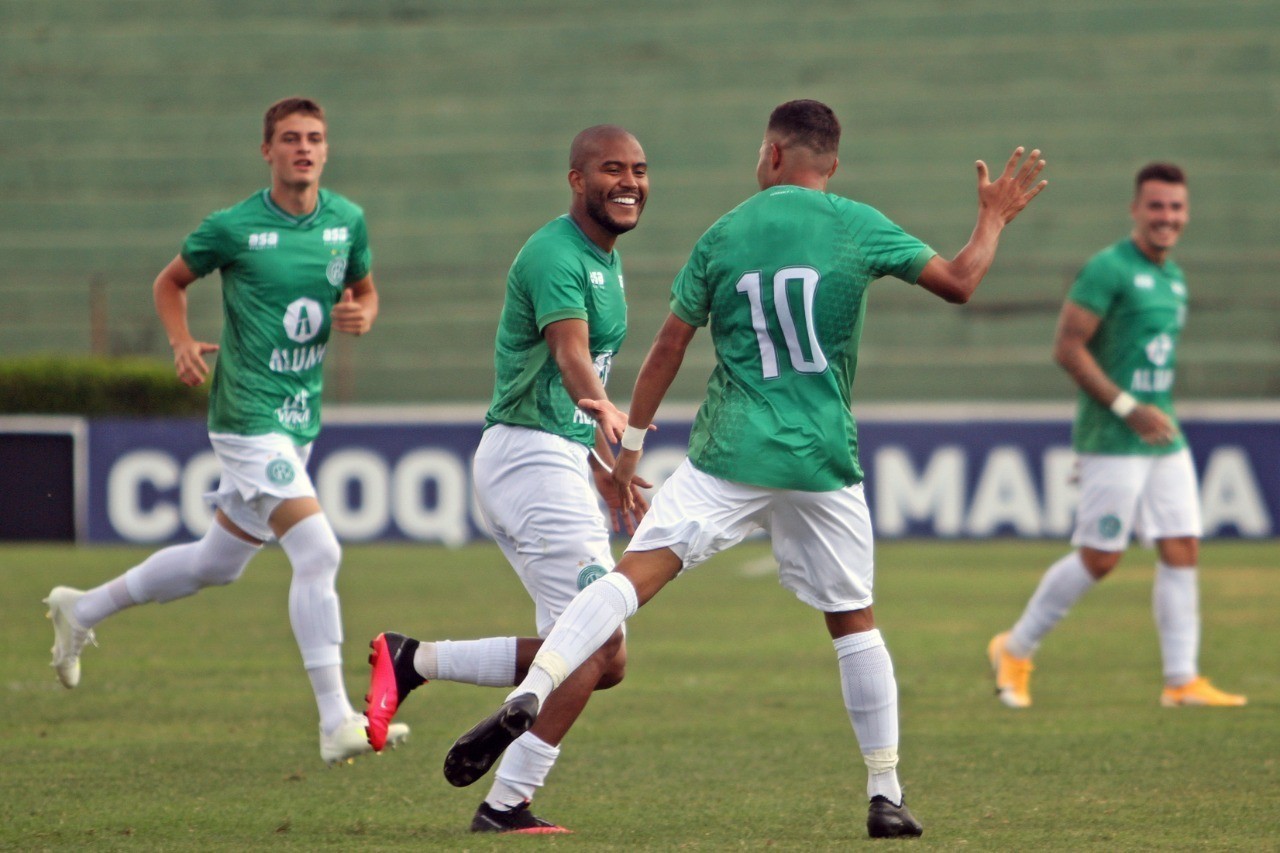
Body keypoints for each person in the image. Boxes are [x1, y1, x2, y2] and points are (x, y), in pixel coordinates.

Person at [445, 99, 1047, 840]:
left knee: (629, 582)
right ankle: (885, 791)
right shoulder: (857, 224)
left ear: (772, 155)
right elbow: (959, 281)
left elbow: (669, 347)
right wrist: (992, 219)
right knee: (854, 622)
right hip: (821, 456)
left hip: (730, 451)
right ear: (833, 163)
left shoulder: (724, 233)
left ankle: (534, 688)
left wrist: (629, 450)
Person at [42, 96, 408, 765]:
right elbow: (170, 282)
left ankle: (81, 609)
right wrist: (181, 342)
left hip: (298, 419)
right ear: (267, 151)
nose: (304, 148)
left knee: (216, 563)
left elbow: (366, 289)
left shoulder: (346, 220)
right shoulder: (234, 227)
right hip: (246, 416)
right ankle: (336, 721)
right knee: (319, 551)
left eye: (315, 138)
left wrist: (366, 312)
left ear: (327, 149)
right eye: (290, 138)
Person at [363, 125, 650, 834]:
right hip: (531, 460)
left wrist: (603, 467)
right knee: (595, 643)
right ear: (577, 179)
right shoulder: (555, 253)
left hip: (551, 457)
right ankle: (504, 804)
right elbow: (571, 355)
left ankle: (414, 660)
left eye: (640, 171)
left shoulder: (605, 260)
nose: (630, 183)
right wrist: (602, 409)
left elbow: (575, 377)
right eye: (612, 169)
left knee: (604, 655)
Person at [988, 164, 1247, 711]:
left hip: (1161, 435)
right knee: (1102, 557)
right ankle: (1014, 648)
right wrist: (1128, 408)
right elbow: (1067, 348)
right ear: (1135, 209)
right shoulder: (1108, 269)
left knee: (1182, 545)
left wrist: (1150, 412)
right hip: (1113, 434)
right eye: (1156, 206)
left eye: (1176, 207)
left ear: (1186, 213)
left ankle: (1181, 680)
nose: (1166, 216)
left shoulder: (1174, 278)